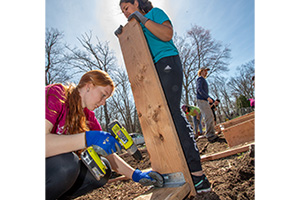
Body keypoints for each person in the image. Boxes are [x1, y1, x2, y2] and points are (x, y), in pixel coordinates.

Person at [119, 0, 212, 194]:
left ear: (136, 3)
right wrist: (124, 35)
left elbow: (167, 34)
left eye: (126, 8)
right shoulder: (135, 25)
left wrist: (142, 19)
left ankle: (198, 174)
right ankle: (177, 167)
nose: (125, 14)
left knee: (172, 112)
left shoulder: (154, 14)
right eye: (122, 12)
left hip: (167, 61)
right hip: (152, 70)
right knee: (160, 118)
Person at [46, 70, 163, 200]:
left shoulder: (88, 116)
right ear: (88, 86)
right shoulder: (57, 94)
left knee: (103, 168)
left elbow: (110, 156)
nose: (103, 102)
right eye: (103, 95)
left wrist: (135, 175)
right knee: (67, 164)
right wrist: (88, 138)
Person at [196, 67, 219, 143]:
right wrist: (207, 97)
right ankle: (210, 135)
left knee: (211, 116)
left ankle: (211, 133)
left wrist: (212, 99)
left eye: (206, 71)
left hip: (204, 100)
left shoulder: (203, 80)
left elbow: (205, 93)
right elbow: (199, 90)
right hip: (201, 100)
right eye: (205, 71)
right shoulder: (200, 79)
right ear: (201, 71)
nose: (206, 72)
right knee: (208, 116)